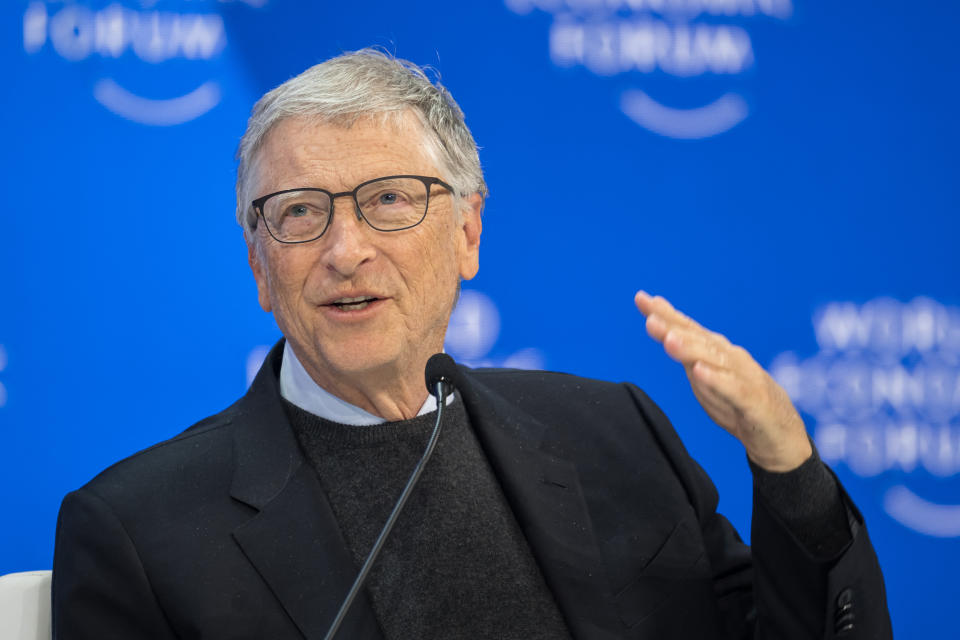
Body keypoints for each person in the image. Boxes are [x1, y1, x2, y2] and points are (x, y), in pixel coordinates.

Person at [52, 49, 892, 639]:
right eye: (301, 211)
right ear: (260, 265)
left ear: (466, 233)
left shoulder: (615, 435)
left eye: (388, 199)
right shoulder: (138, 530)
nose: (345, 251)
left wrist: (791, 474)